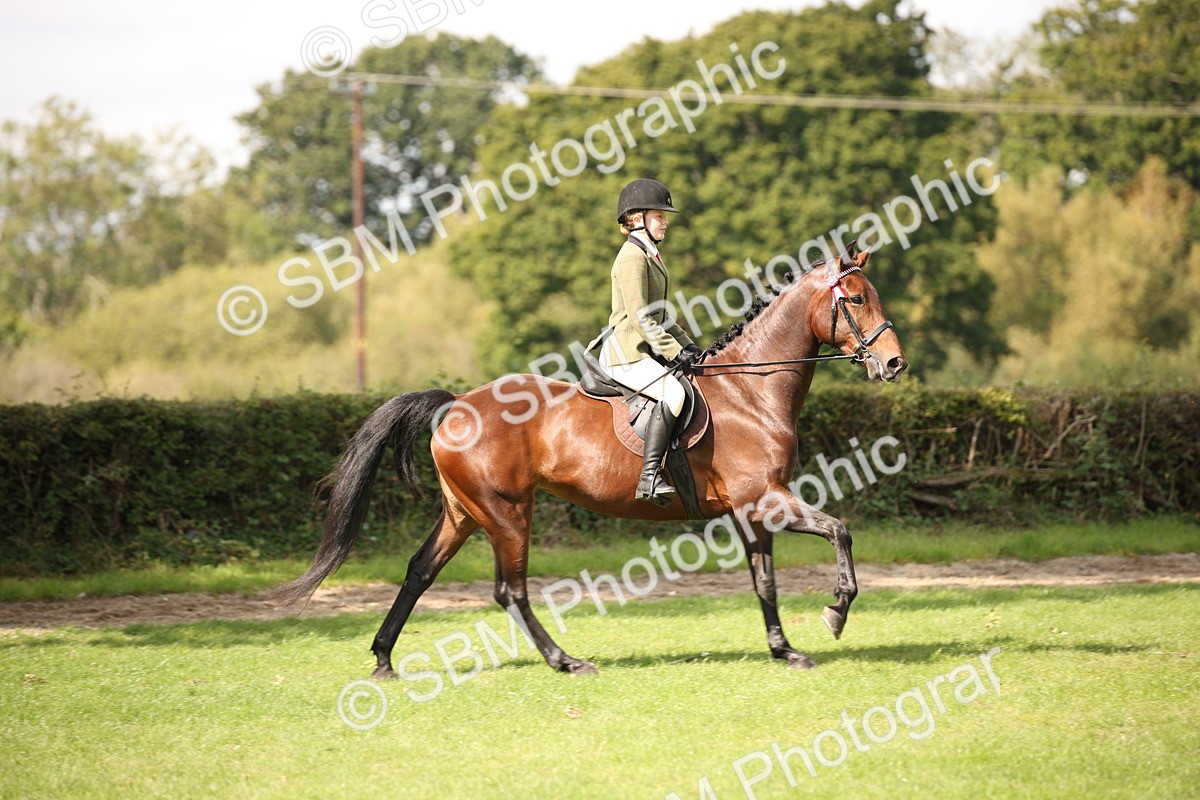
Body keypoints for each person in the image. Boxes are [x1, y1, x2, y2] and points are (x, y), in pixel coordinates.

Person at [598, 178, 703, 506]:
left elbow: (663, 316)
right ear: (635, 218)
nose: (666, 221)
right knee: (672, 393)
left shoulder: (650, 255)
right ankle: (649, 477)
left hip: (643, 349)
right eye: (659, 215)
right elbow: (642, 318)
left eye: (665, 215)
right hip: (625, 354)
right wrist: (674, 352)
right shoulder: (632, 257)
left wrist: (690, 348)